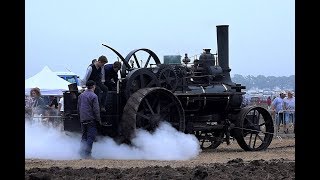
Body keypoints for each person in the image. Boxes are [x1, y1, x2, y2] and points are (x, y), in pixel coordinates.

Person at [77, 80, 101, 159]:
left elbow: (78, 108)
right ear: (94, 86)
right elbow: (96, 110)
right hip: (91, 119)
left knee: (84, 137)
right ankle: (87, 154)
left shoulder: (81, 95)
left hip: (83, 119)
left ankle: (81, 153)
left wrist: (80, 117)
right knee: (90, 137)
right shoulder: (94, 96)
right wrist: (98, 120)